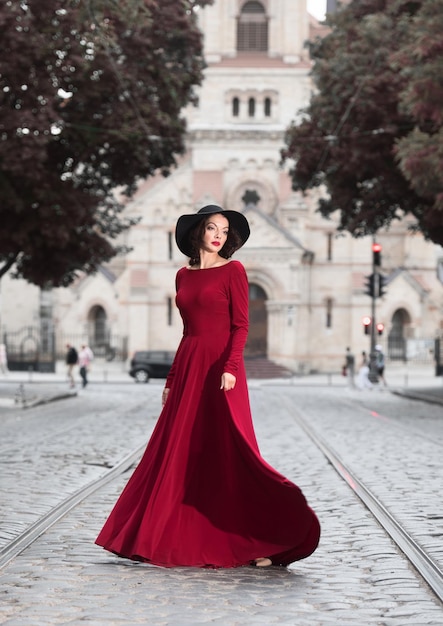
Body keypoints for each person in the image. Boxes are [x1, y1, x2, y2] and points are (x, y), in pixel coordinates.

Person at [96, 205, 320, 569]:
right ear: (198, 232)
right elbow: (187, 332)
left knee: (231, 450)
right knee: (179, 449)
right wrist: (171, 378)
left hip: (221, 368)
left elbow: (241, 325)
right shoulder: (183, 276)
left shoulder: (234, 271)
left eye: (224, 230)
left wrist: (231, 367)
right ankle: (162, 532)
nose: (218, 235)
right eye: (212, 228)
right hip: (189, 365)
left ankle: (264, 540)